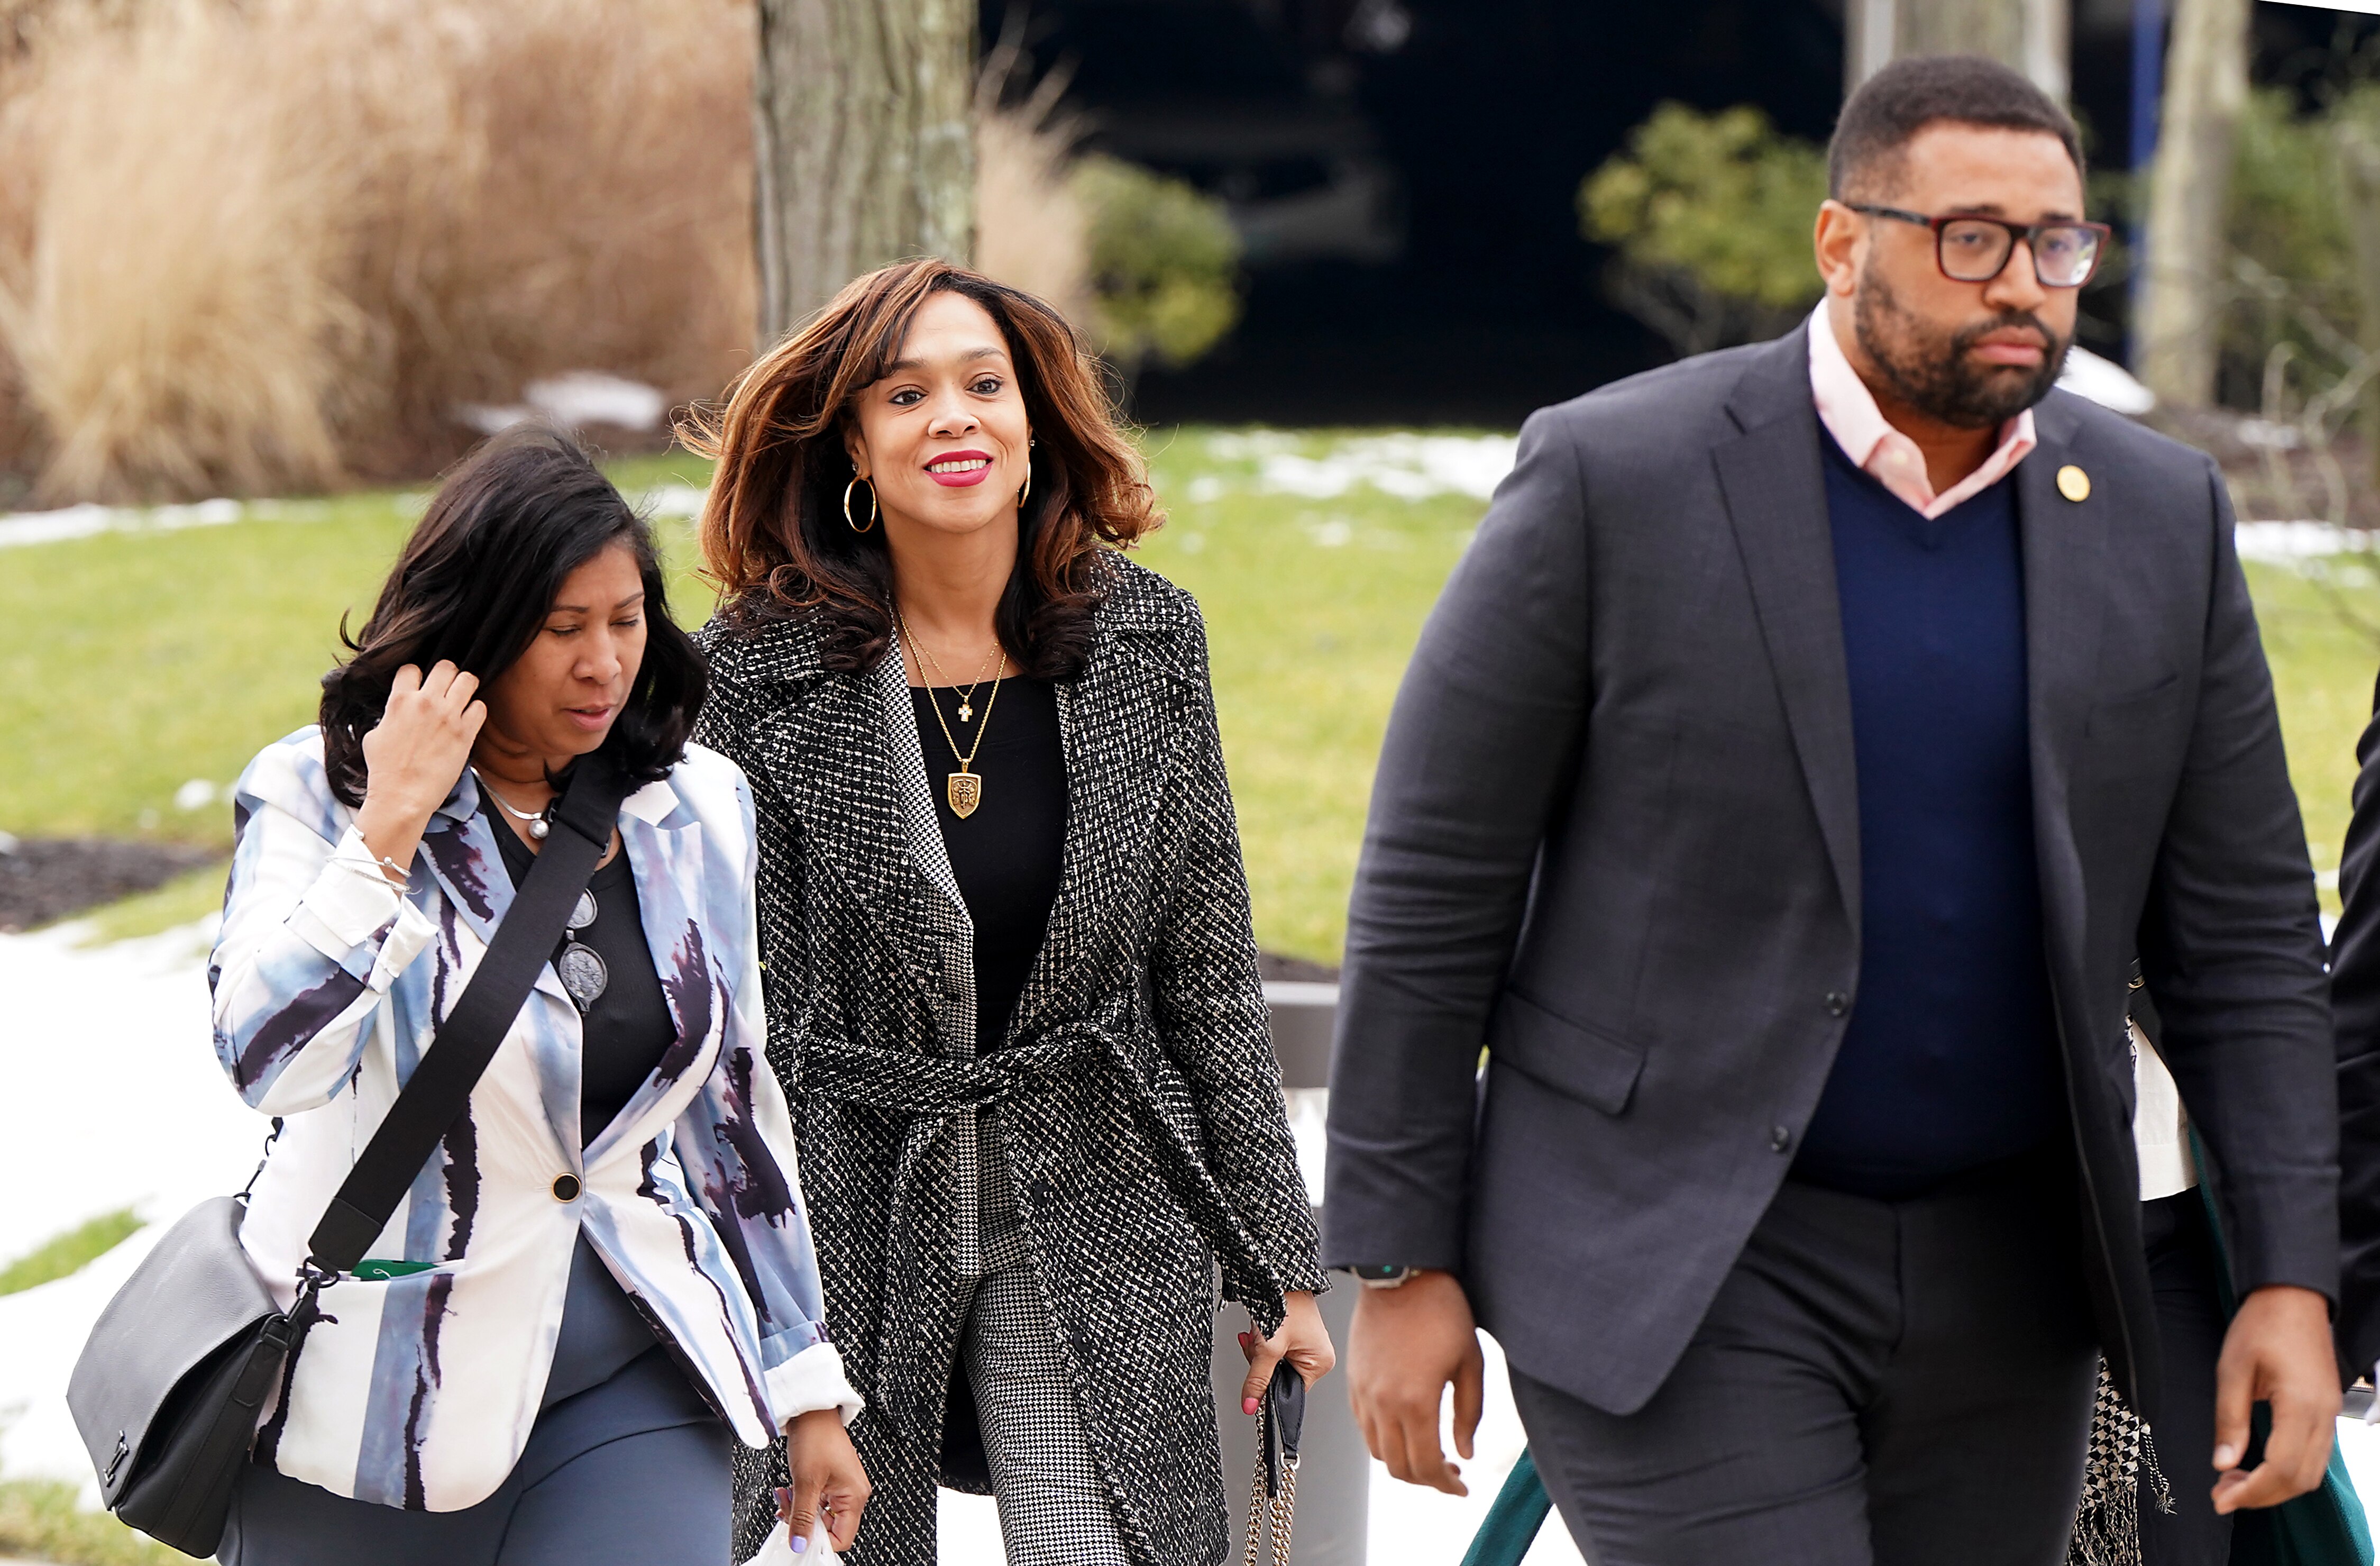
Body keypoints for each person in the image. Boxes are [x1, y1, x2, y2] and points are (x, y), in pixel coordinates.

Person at [1324, 53, 2342, 1566]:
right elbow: (1433, 880)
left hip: (2013, 1287)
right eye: (1971, 238)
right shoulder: (1617, 476)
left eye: (2057, 243)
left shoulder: (2156, 514)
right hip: (1679, 1258)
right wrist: (1400, 1259)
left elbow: (2247, 935)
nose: (2024, 283)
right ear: (1840, 241)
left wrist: (2290, 1277)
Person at [686, 258, 1334, 1566]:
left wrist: (1282, 1261)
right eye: (906, 394)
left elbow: (1206, 971)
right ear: (854, 444)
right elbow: (724, 1016)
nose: (954, 418)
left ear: (1034, 422)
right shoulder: (752, 677)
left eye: (985, 385)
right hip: (848, 1204)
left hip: (1092, 1188)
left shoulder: (1147, 642)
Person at [208, 426, 867, 1563]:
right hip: (374, 1391)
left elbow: (730, 1109)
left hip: (635, 1370)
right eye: (563, 630)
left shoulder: (695, 806)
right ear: (473, 632)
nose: (604, 664)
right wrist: (390, 830)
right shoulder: (319, 792)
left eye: (626, 622)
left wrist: (804, 1381)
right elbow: (268, 1059)